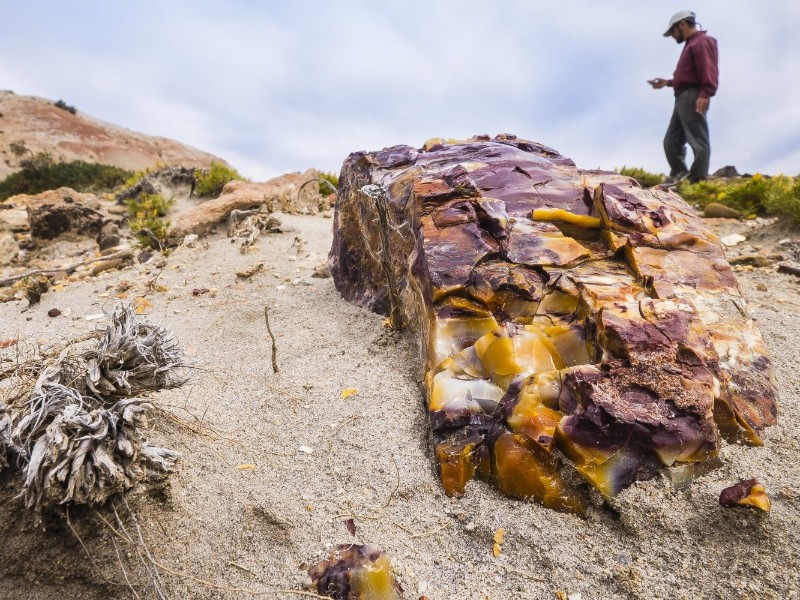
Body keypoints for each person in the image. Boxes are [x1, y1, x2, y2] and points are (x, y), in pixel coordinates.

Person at [648, 10, 719, 186]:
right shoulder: (691, 44)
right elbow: (688, 76)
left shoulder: (702, 42)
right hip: (682, 97)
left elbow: (709, 70)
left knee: (697, 139)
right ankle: (681, 176)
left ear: (682, 24)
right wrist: (667, 83)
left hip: (694, 96)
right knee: (671, 142)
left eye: (672, 31)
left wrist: (705, 93)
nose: (672, 36)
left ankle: (698, 181)